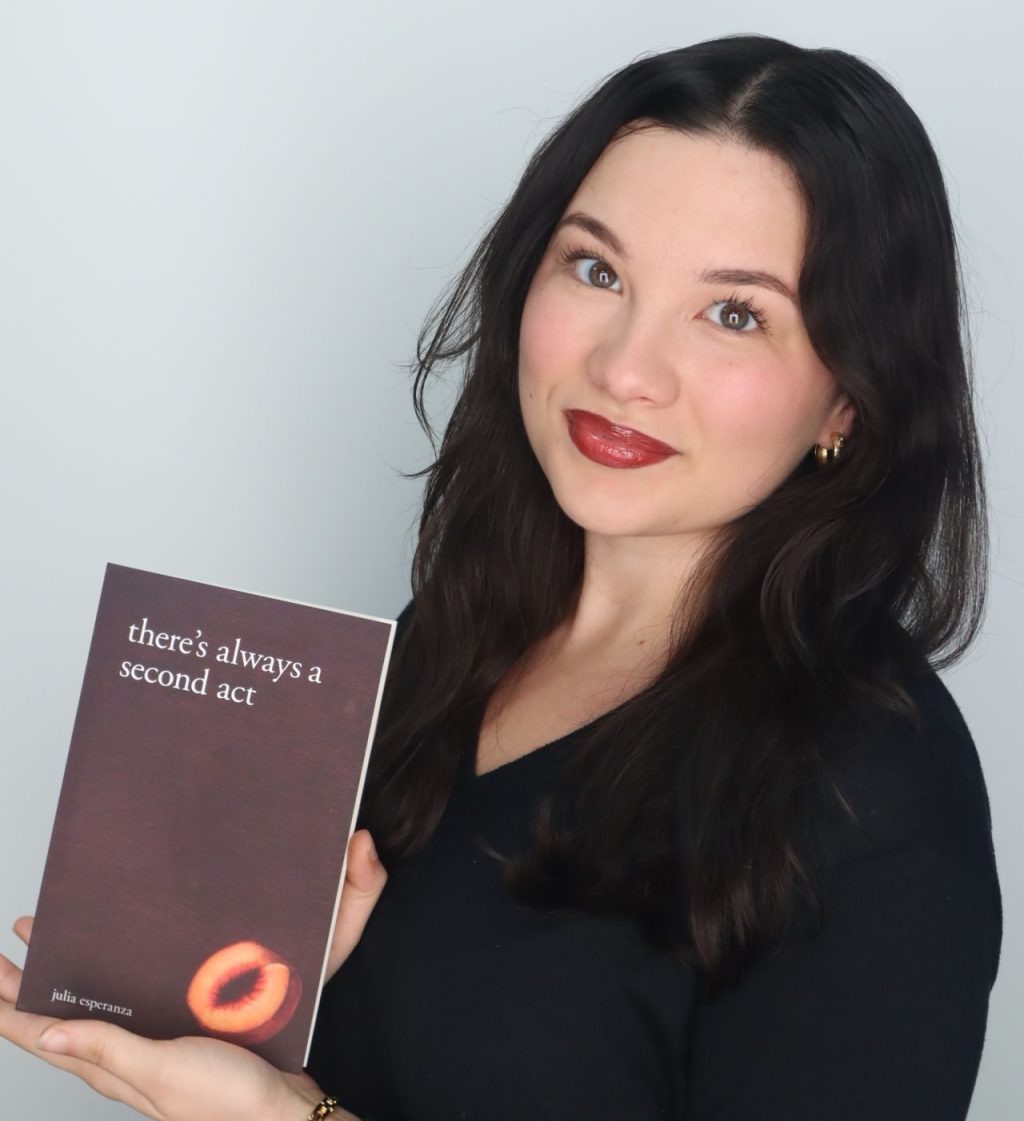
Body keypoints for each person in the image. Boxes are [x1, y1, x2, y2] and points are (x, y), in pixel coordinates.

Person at [0, 31, 1002, 1121]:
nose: (623, 368)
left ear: (849, 397)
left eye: (734, 313)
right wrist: (264, 1007)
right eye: (597, 269)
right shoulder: (447, 639)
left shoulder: (878, 798)